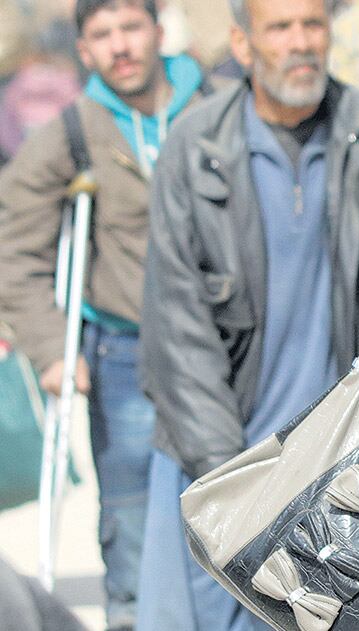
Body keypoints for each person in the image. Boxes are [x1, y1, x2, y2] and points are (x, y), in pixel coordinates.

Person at [136, 0, 359, 627]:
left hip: (348, 473)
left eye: (312, 25)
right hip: (223, 467)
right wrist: (238, 489)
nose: (300, 42)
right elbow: (177, 336)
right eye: (280, 27)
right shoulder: (196, 148)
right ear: (242, 43)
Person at [0, 0, 210, 627]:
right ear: (84, 50)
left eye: (130, 28)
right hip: (122, 354)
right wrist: (47, 348)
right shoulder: (72, 130)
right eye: (102, 35)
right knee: (130, 520)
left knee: (233, 510)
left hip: (225, 349)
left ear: (156, 30)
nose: (120, 46)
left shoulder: (220, 105)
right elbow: (16, 246)